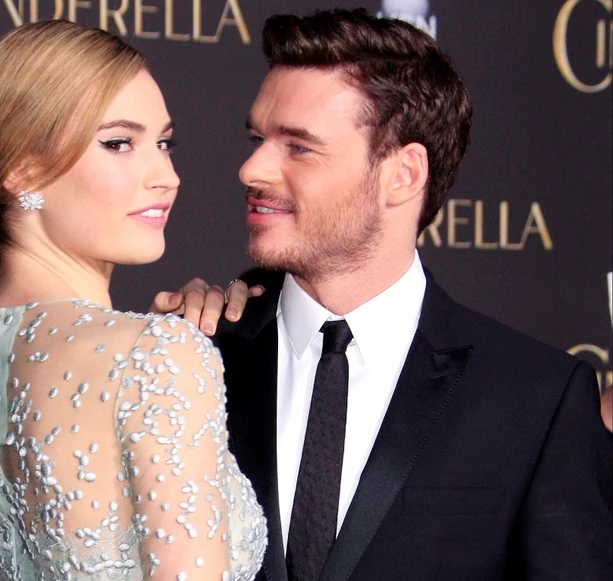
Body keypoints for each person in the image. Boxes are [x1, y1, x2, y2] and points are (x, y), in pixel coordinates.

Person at [153, 8, 613, 581]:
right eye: (257, 138)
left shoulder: (535, 399)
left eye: (298, 147)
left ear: (403, 174)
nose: (252, 169)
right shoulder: (194, 353)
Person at [0, 20, 266, 581]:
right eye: (119, 143)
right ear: (22, 169)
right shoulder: (157, 356)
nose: (167, 176)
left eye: (164, 143)